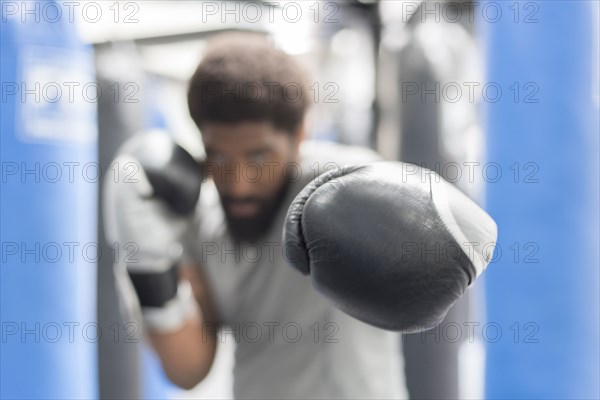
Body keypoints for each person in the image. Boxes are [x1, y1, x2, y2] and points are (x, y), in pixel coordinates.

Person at [103, 33, 496, 400]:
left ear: (300, 135)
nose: (239, 184)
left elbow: (472, 234)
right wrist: (145, 263)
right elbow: (188, 369)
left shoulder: (340, 184)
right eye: (219, 158)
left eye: (259, 157)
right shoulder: (196, 220)